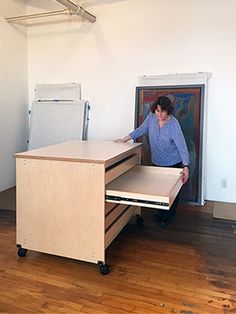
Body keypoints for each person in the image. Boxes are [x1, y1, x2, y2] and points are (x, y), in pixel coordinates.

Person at [114, 95, 190, 227]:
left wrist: (186, 166)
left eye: (163, 111)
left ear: (168, 111)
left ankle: (168, 217)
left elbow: (182, 146)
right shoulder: (151, 118)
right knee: (160, 190)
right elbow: (140, 130)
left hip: (173, 162)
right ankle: (161, 213)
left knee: (171, 192)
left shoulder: (174, 124)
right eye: (157, 111)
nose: (159, 114)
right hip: (157, 161)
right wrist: (124, 139)